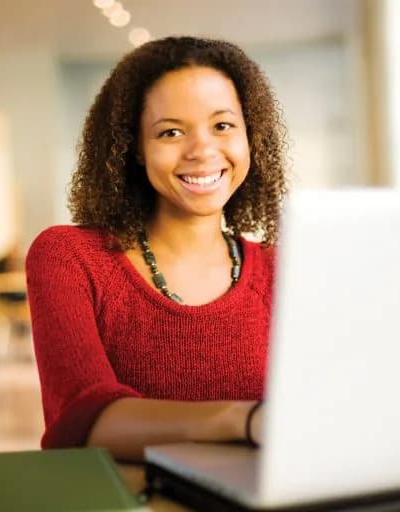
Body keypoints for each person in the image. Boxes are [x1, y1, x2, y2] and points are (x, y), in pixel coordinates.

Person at [26, 36, 288, 462]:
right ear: (134, 150)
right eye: (170, 132)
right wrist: (240, 419)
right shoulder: (69, 257)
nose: (202, 150)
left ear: (251, 137)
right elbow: (82, 421)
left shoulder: (283, 271)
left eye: (222, 126)